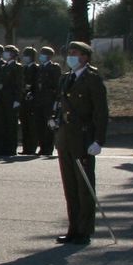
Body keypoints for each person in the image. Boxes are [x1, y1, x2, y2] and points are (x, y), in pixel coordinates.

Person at [54, 42, 108, 246]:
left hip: (83, 138)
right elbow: (61, 105)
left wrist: (99, 140)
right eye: (69, 53)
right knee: (70, 187)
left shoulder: (92, 79)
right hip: (65, 138)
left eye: (74, 53)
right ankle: (73, 228)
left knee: (84, 187)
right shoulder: (66, 78)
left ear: (85, 57)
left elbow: (101, 113)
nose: (70, 57)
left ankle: (84, 230)